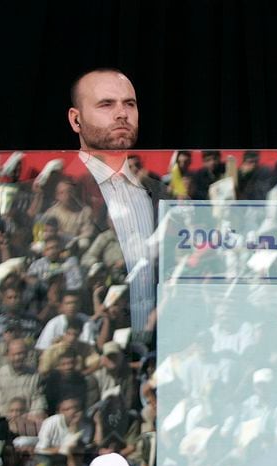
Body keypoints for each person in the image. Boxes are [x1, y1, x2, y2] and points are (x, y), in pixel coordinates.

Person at [66, 67, 166, 341]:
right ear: (76, 120)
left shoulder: (163, 195)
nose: (122, 113)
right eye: (106, 104)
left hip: (160, 350)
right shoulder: (63, 192)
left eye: (129, 104)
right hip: (89, 352)